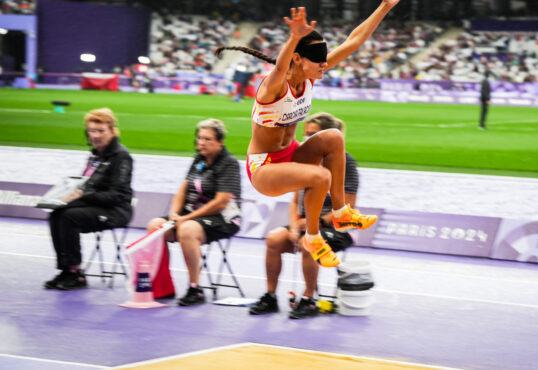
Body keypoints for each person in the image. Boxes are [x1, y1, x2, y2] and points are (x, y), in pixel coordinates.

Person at [215, 0, 406, 268]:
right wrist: (293, 36)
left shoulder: (311, 76)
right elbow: (280, 67)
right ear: (297, 59)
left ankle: (342, 212)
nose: (325, 64)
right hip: (265, 167)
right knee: (320, 177)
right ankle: (313, 238)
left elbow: (354, 41)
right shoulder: (273, 87)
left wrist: (385, 5)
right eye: (317, 60)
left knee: (333, 137)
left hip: (290, 154)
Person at [250, 112, 358, 319]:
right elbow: (294, 201)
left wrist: (312, 223)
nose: (308, 140)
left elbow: (348, 206)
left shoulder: (345, 163)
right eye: (307, 134)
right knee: (273, 240)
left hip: (335, 226)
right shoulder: (305, 159)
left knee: (310, 244)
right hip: (305, 223)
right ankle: (270, 296)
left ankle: (309, 299)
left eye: (313, 135)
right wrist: (293, 224)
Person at [146, 118, 242, 306]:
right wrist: (174, 214)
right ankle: (162, 287)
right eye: (199, 138)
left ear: (220, 142)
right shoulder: (198, 160)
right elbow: (182, 190)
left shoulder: (229, 163)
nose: (201, 143)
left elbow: (221, 202)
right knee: (155, 226)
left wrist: (185, 218)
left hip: (222, 219)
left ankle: (194, 288)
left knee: (187, 229)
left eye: (207, 139)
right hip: (191, 215)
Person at [44, 108, 133, 291]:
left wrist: (83, 195)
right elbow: (86, 183)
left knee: (69, 217)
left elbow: (118, 195)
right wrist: (70, 193)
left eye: (101, 131)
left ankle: (76, 274)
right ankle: (67, 269)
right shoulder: (95, 155)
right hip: (95, 205)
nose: (96, 135)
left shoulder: (121, 156)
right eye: (92, 130)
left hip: (116, 211)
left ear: (112, 131)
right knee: (56, 213)